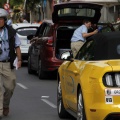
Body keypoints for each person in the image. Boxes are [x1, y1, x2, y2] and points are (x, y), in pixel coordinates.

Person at [0, 8, 22, 119]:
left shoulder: (11, 32)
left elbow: (17, 46)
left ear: (4, 20)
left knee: (10, 87)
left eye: (0, 19)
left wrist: (19, 59)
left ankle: (5, 105)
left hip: (7, 63)